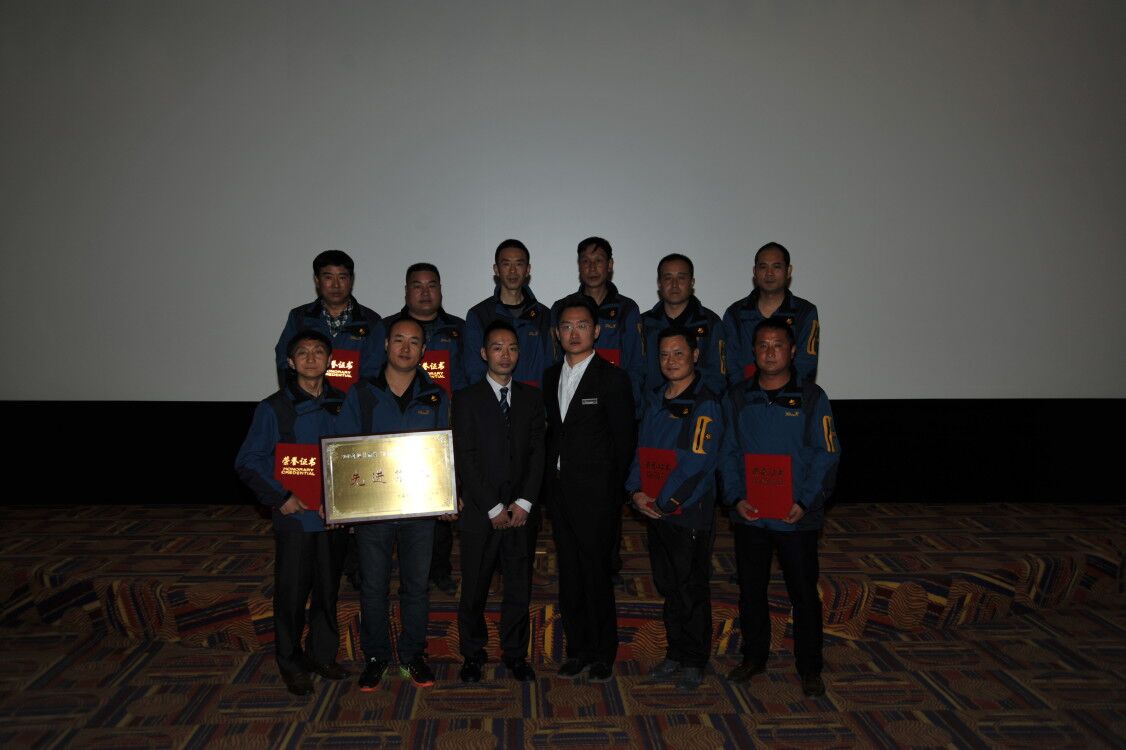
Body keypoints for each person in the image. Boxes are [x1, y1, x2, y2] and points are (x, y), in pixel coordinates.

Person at [720, 318, 840, 698]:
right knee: (751, 590)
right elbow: (727, 452)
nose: (770, 352)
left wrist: (805, 502)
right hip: (751, 514)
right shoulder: (737, 397)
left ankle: (810, 667)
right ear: (753, 352)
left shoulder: (812, 397)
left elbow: (826, 453)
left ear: (792, 351)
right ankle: (754, 657)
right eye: (763, 345)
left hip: (796, 517)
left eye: (778, 345)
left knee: (803, 593)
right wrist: (735, 498)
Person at [335, 317, 451, 690]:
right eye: (398, 339)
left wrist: (451, 494)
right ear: (386, 345)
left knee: (416, 586)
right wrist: (342, 503)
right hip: (374, 510)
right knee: (373, 586)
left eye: (414, 342)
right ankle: (376, 656)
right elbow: (344, 449)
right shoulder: (362, 393)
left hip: (420, 509)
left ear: (423, 351)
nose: (405, 347)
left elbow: (446, 452)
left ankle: (413, 654)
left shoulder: (436, 396)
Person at [235, 329, 349, 696]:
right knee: (292, 595)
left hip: (333, 518)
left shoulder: (344, 402)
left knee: (328, 591)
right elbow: (249, 461)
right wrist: (281, 496)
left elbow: (355, 454)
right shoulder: (273, 407)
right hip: (295, 517)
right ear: (290, 361)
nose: (311, 358)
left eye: (319, 351)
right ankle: (290, 662)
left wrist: (349, 502)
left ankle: (322, 655)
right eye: (303, 353)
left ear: (330, 360)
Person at [544, 295, 635, 682]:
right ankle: (578, 649)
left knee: (596, 574)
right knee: (569, 574)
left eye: (582, 325)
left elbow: (624, 442)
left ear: (596, 331)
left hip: (597, 496)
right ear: (557, 333)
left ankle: (602, 653)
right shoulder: (550, 376)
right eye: (566, 326)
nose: (574, 333)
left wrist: (612, 494)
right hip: (559, 493)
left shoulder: (613, 378)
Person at [626, 327, 723, 691]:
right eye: (664, 354)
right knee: (668, 586)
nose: (671, 361)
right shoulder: (655, 398)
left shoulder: (705, 403)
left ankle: (695, 659)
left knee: (691, 588)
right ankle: (675, 652)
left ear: (695, 356)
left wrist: (664, 502)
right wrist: (636, 491)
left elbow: (696, 463)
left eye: (679, 353)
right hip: (655, 510)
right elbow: (641, 451)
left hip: (687, 512)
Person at [452, 320, 546, 683]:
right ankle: (472, 654)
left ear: (519, 354)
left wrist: (524, 502)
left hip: (521, 513)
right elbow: (465, 456)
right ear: (483, 353)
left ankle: (515, 654)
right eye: (497, 347)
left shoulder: (531, 398)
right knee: (474, 588)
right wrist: (492, 506)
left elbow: (538, 453)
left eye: (512, 348)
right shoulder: (466, 399)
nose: (505, 355)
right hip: (481, 513)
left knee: (519, 587)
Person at [381, 262, 467, 596]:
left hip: (444, 421)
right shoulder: (386, 327)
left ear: (441, 290)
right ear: (407, 291)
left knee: (438, 494)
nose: (425, 292)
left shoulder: (458, 329)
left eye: (432, 285)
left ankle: (439, 569)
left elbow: (469, 377)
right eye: (417, 285)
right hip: (396, 421)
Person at [550, 237, 644, 407]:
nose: (592, 267)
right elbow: (554, 361)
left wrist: (629, 404)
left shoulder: (627, 309)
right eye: (586, 261)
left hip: (614, 399)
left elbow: (636, 365)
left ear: (610, 265)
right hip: (571, 400)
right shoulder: (562, 307)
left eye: (598, 261)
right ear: (579, 266)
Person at [275, 249, 384, 392]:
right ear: (317, 280)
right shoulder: (299, 318)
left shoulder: (371, 321)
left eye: (342, 277)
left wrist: (354, 402)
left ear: (351, 280)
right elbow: (285, 362)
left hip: (353, 404)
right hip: (307, 403)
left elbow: (374, 371)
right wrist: (301, 398)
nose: (335, 285)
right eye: (328, 277)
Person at [723, 242, 819, 386]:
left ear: (788, 271)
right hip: (744, 395)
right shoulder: (735, 313)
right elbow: (731, 367)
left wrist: (779, 390)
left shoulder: (804, 312)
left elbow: (806, 365)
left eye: (776, 266)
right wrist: (749, 393)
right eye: (763, 267)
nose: (769, 273)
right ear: (754, 271)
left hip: (792, 395)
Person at [463, 239, 554, 388]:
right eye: (506, 264)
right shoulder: (479, 315)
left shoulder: (544, 315)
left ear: (527, 269)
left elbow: (552, 367)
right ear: (496, 269)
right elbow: (474, 370)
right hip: (493, 400)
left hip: (536, 399)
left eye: (519, 264)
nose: (512, 271)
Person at [640, 253, 727, 398]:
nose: (674, 284)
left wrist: (702, 404)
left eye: (681, 278)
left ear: (692, 282)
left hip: (697, 405)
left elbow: (718, 377)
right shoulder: (643, 323)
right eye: (668, 278)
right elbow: (635, 372)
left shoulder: (710, 323)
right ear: (659, 283)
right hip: (651, 406)